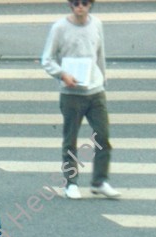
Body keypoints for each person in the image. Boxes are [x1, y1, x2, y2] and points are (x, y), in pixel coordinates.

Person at [43, 0, 119, 201]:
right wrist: (62, 75)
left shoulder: (97, 24)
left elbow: (100, 55)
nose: (80, 7)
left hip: (95, 90)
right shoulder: (60, 28)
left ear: (91, 5)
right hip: (71, 94)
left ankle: (100, 181)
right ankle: (71, 183)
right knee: (71, 141)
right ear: (70, 5)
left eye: (85, 3)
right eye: (76, 3)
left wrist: (103, 79)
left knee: (103, 136)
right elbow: (47, 59)